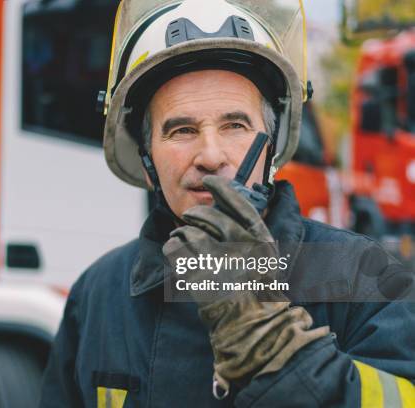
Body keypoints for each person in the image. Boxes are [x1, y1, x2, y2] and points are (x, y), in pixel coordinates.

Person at [39, 0, 415, 406]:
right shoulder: (99, 292)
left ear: (271, 148)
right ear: (148, 161)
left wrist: (277, 352)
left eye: (235, 125)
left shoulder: (365, 278)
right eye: (181, 130)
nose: (211, 155)